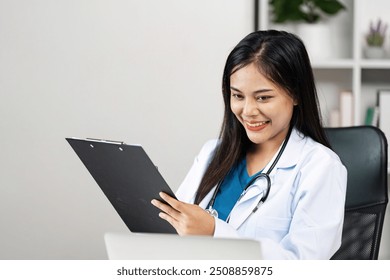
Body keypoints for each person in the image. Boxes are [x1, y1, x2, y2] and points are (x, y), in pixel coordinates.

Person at [151, 30, 347, 259]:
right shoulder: (212, 154)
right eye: (238, 96)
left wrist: (215, 232)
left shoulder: (321, 167)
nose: (248, 111)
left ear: (295, 95)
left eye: (263, 97)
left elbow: (302, 265)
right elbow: (172, 232)